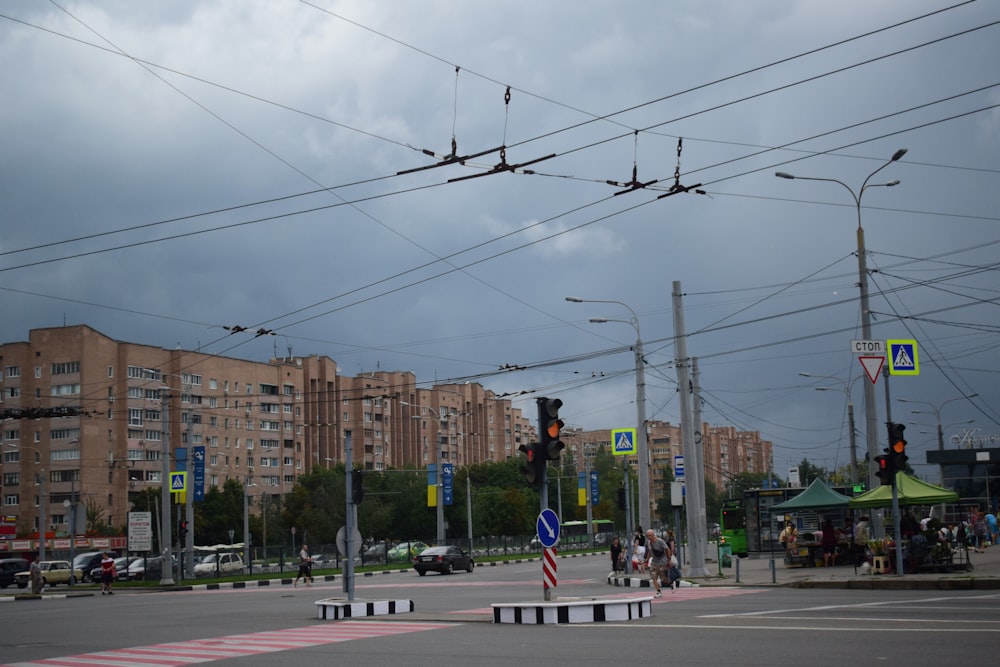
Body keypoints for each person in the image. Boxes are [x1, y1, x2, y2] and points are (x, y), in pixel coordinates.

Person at [644, 529, 671, 597]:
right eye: (648, 536)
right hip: (654, 562)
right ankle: (658, 592)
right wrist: (647, 559)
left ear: (653, 535)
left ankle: (671, 583)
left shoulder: (660, 541)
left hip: (662, 562)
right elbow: (650, 551)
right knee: (653, 577)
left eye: (650, 535)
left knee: (664, 579)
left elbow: (667, 549)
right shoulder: (648, 542)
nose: (649, 537)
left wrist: (669, 559)